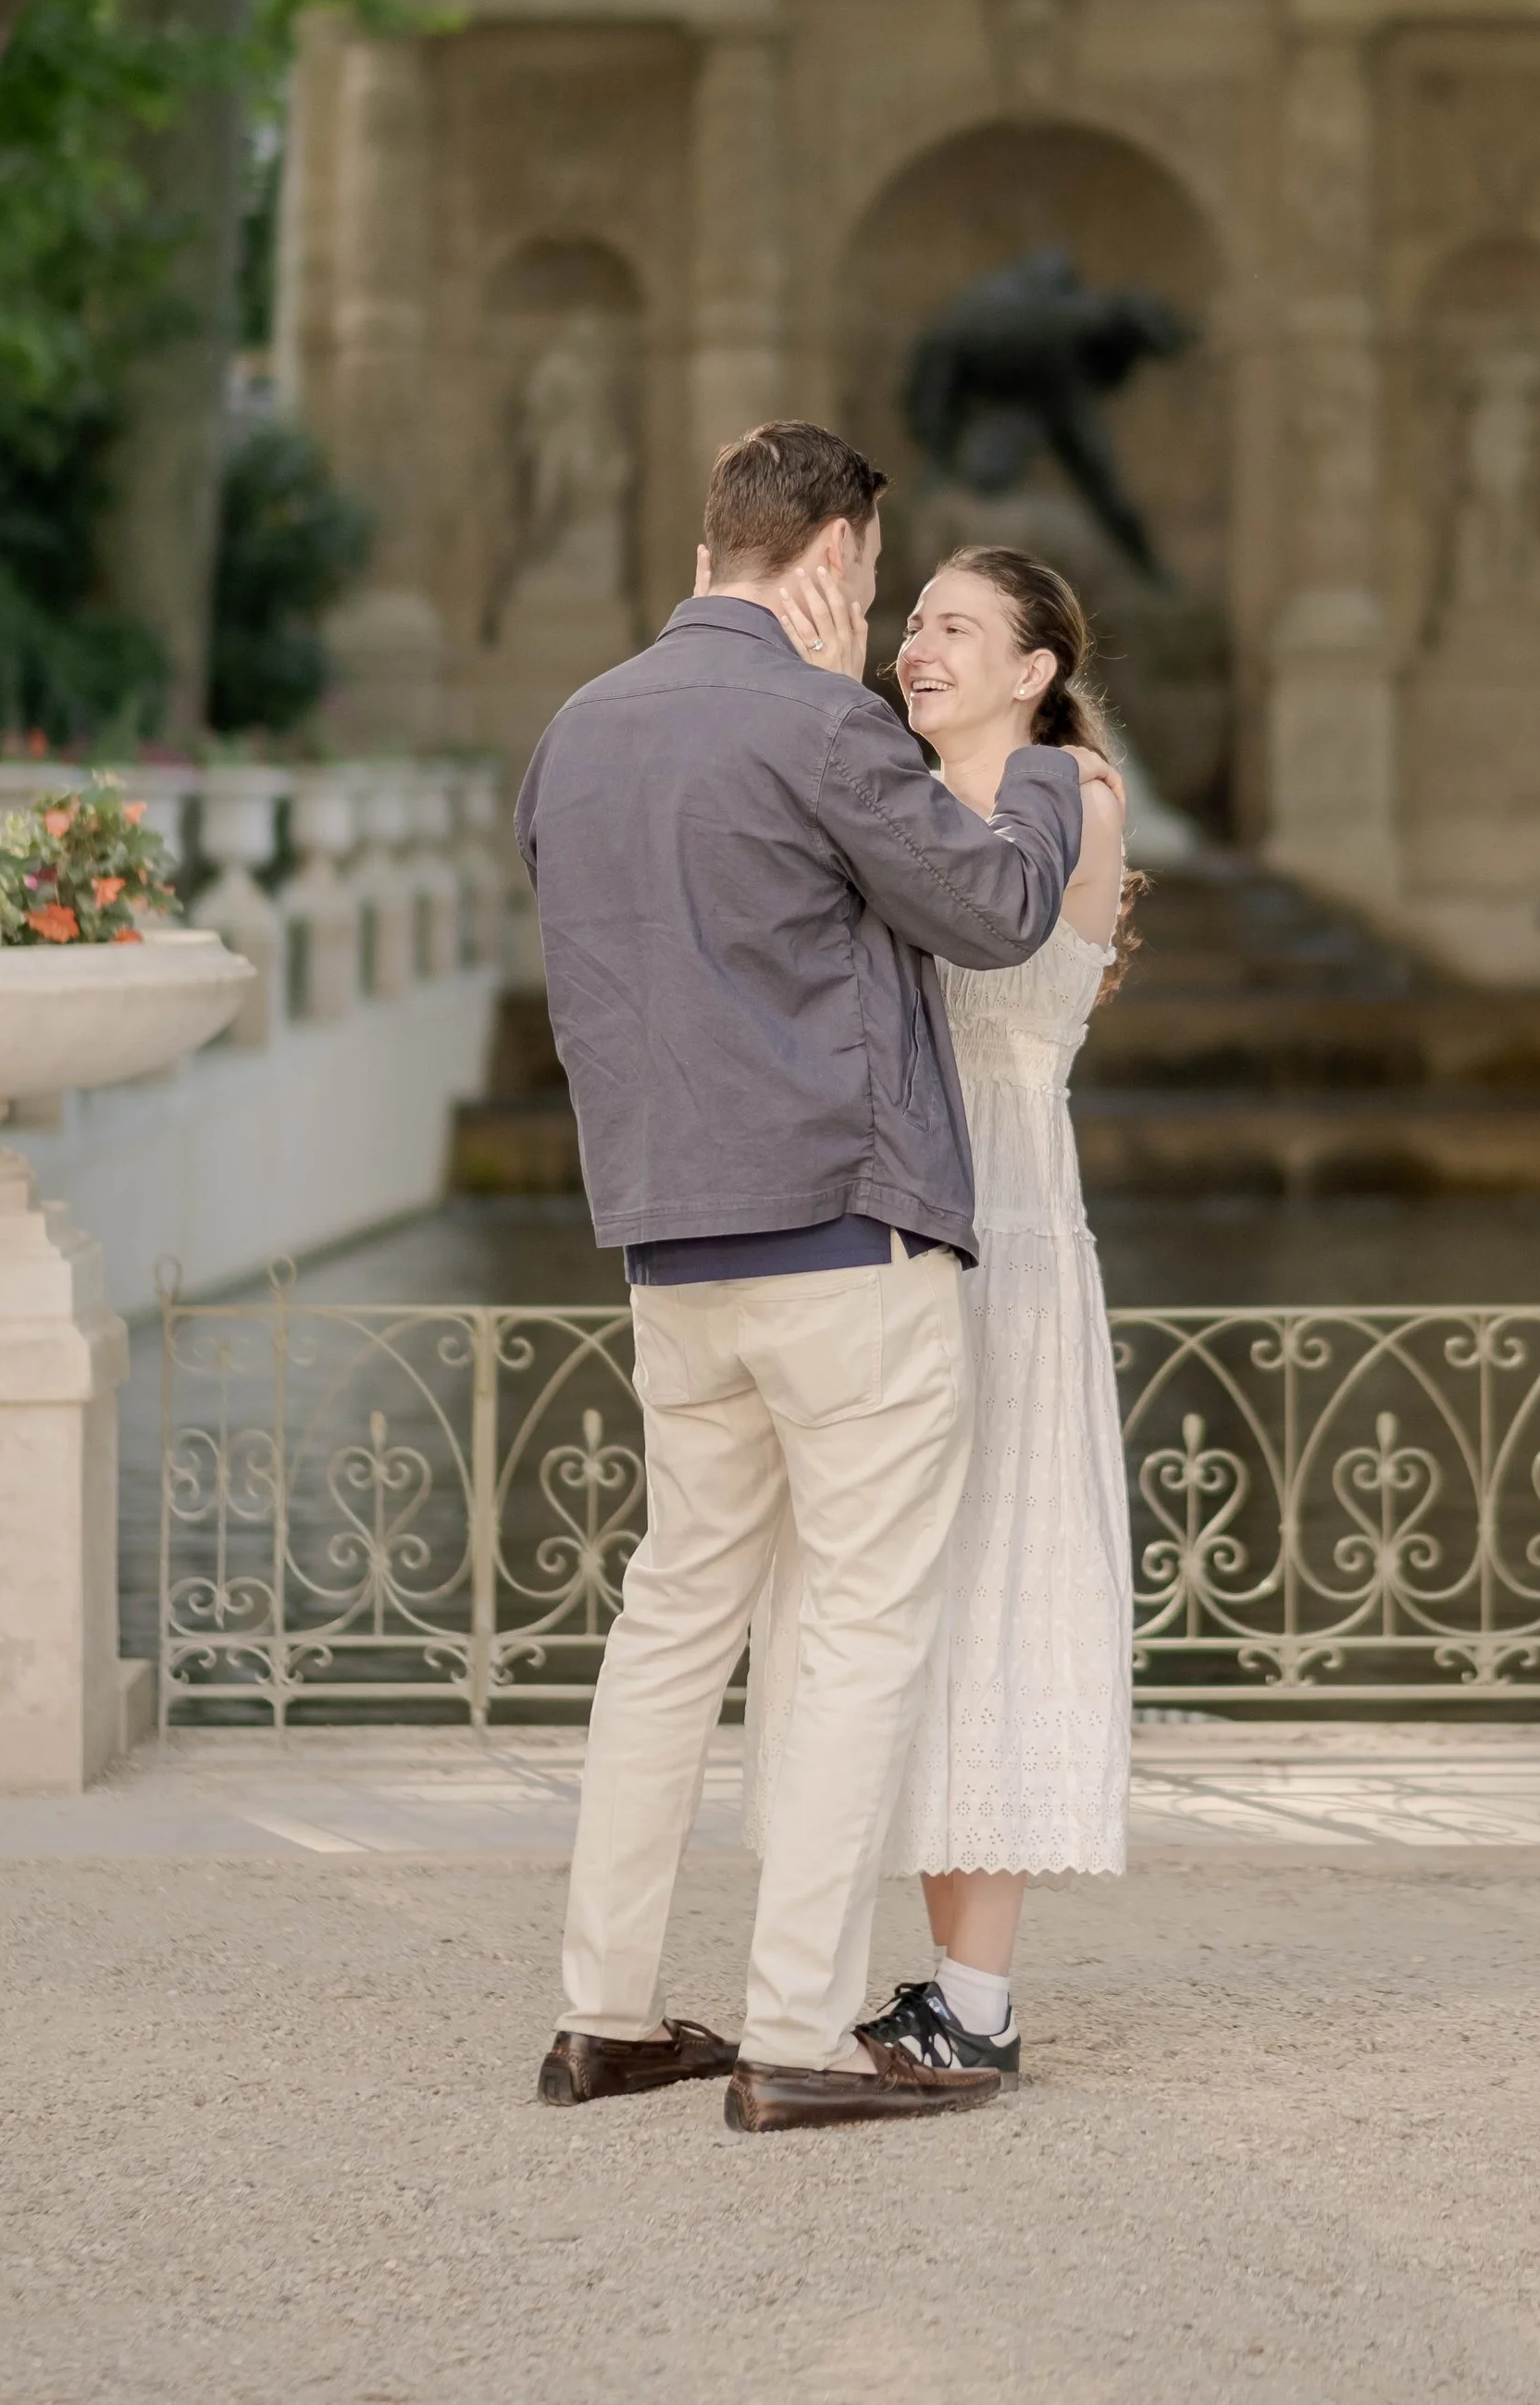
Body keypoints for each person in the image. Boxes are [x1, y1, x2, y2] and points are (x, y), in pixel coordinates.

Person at [515, 424, 1118, 2136]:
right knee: (856, 1629)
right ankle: (793, 2035)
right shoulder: (818, 715)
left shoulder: (576, 731)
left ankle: (605, 2015)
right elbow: (998, 910)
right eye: (877, 577)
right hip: (843, 1240)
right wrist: (1064, 780)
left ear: (713, 537)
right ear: (839, 559)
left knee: (672, 1618)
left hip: (664, 1248)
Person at [747, 546, 1137, 2084]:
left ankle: (979, 1998)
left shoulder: (1068, 796)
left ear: (1036, 667)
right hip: (892, 1224)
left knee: (992, 1584)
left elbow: (978, 914)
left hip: (1007, 1238)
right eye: (914, 625)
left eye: (955, 628)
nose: (920, 647)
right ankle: (937, 1984)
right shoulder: (905, 803)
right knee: (892, 1597)